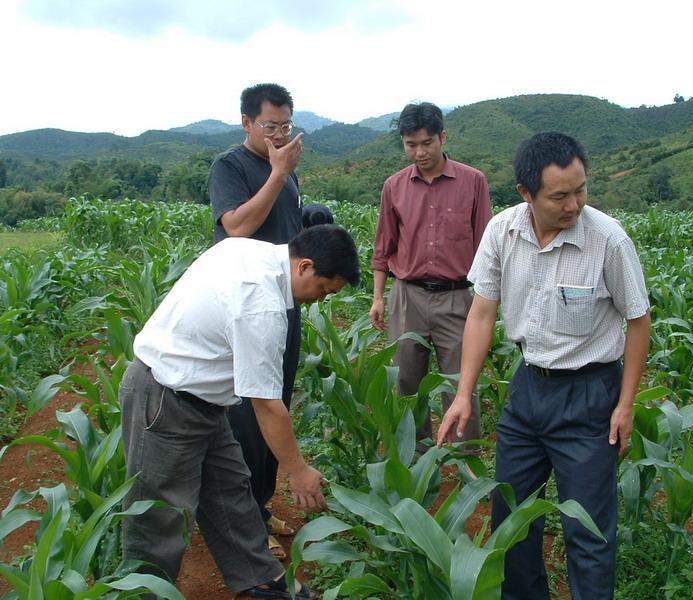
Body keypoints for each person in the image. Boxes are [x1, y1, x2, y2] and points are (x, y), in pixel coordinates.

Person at [436, 132, 651, 599]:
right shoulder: (503, 231)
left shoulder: (607, 240)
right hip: (529, 389)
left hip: (591, 396)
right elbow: (482, 311)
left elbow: (638, 320)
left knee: (589, 530)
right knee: (511, 518)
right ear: (526, 194)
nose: (574, 204)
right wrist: (463, 393)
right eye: (560, 195)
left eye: (581, 190)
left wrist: (626, 403)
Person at [121, 224, 360, 600]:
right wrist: (298, 471)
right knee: (160, 515)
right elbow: (267, 405)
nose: (319, 300)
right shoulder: (262, 304)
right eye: (323, 290)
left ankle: (260, 581)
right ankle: (143, 593)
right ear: (305, 266)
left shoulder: (249, 250)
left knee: (231, 492)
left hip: (205, 400)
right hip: (166, 400)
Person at [208, 83, 330, 559]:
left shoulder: (287, 173)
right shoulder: (231, 167)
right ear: (246, 124)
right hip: (246, 309)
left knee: (273, 407)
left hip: (283, 305)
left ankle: (258, 505)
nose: (280, 135)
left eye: (286, 126)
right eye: (270, 127)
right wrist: (279, 174)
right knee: (246, 418)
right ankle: (247, 527)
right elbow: (236, 226)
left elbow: (285, 236)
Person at [370, 102, 492, 451]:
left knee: (460, 379)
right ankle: (416, 452)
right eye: (411, 144)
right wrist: (379, 297)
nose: (419, 152)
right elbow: (384, 245)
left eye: (426, 143)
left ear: (443, 137)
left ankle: (465, 455)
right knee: (407, 378)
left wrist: (488, 302)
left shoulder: (473, 182)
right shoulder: (394, 186)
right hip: (407, 295)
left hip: (457, 295)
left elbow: (487, 244)